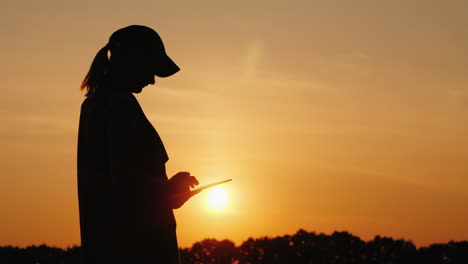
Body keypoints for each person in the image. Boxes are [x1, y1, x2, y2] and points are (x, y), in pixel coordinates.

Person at [77, 25, 199, 264]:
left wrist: (169, 193)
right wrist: (168, 188)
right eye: (150, 69)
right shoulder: (119, 105)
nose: (152, 80)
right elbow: (126, 183)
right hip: (137, 251)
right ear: (133, 61)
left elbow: (116, 186)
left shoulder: (95, 104)